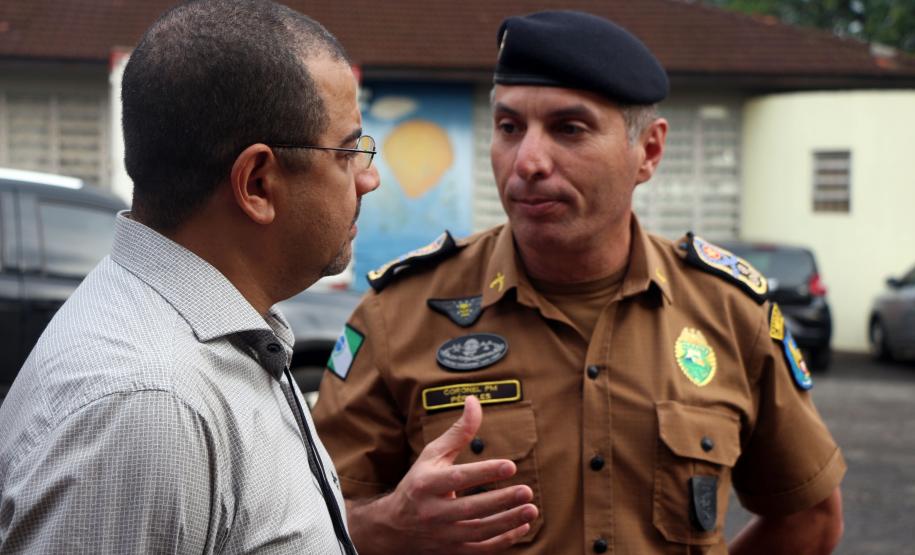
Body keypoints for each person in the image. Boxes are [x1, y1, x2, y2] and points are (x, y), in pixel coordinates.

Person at [313, 10, 846, 555]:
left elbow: (808, 519)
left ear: (650, 152)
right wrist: (391, 525)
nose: (528, 161)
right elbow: (302, 525)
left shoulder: (730, 311)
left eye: (570, 128)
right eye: (509, 127)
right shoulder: (400, 314)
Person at [0, 1, 381, 552]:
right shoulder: (151, 404)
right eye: (347, 153)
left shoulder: (215, 337)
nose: (367, 179)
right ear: (256, 184)